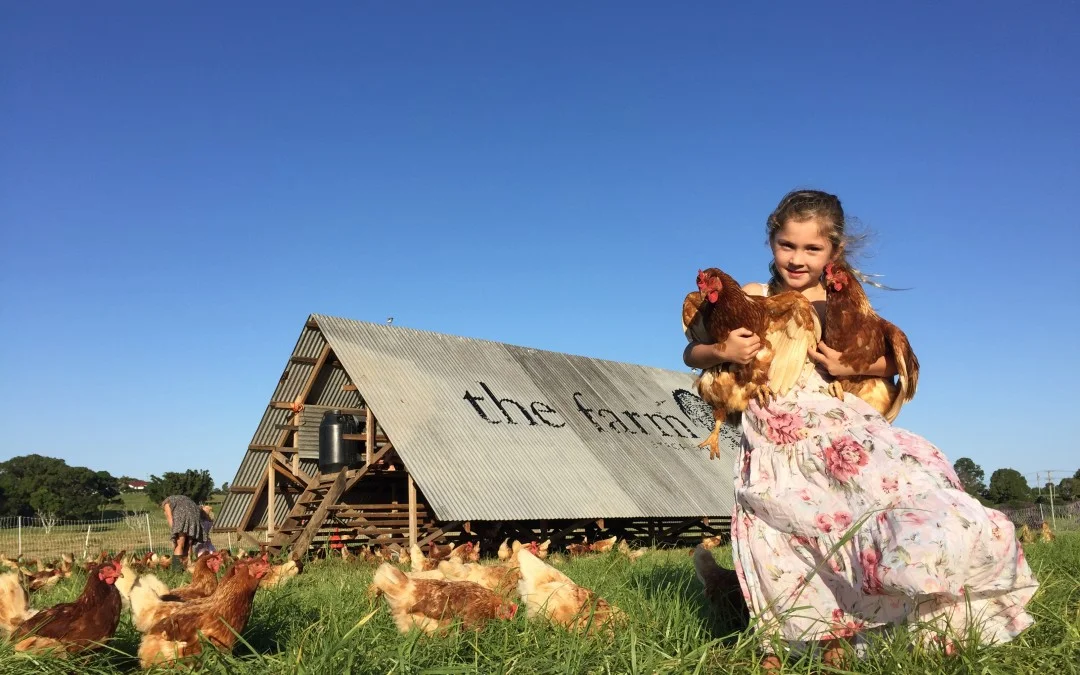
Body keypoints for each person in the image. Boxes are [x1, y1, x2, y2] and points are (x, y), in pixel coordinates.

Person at [683, 190, 1038, 669]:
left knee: (874, 508)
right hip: (775, 430)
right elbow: (692, 352)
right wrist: (721, 352)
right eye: (788, 245)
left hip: (837, 425)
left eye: (812, 248)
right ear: (772, 243)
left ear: (834, 250)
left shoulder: (842, 300)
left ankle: (889, 615)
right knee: (785, 528)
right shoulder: (754, 295)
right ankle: (800, 637)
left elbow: (892, 360)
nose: (797, 258)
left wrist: (849, 365)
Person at [161, 494, 206, 570]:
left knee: (180, 543)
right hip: (195, 513)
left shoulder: (166, 503)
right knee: (189, 542)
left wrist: (174, 535)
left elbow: (170, 519)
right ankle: (187, 567)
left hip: (182, 514)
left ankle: (176, 569)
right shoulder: (183, 500)